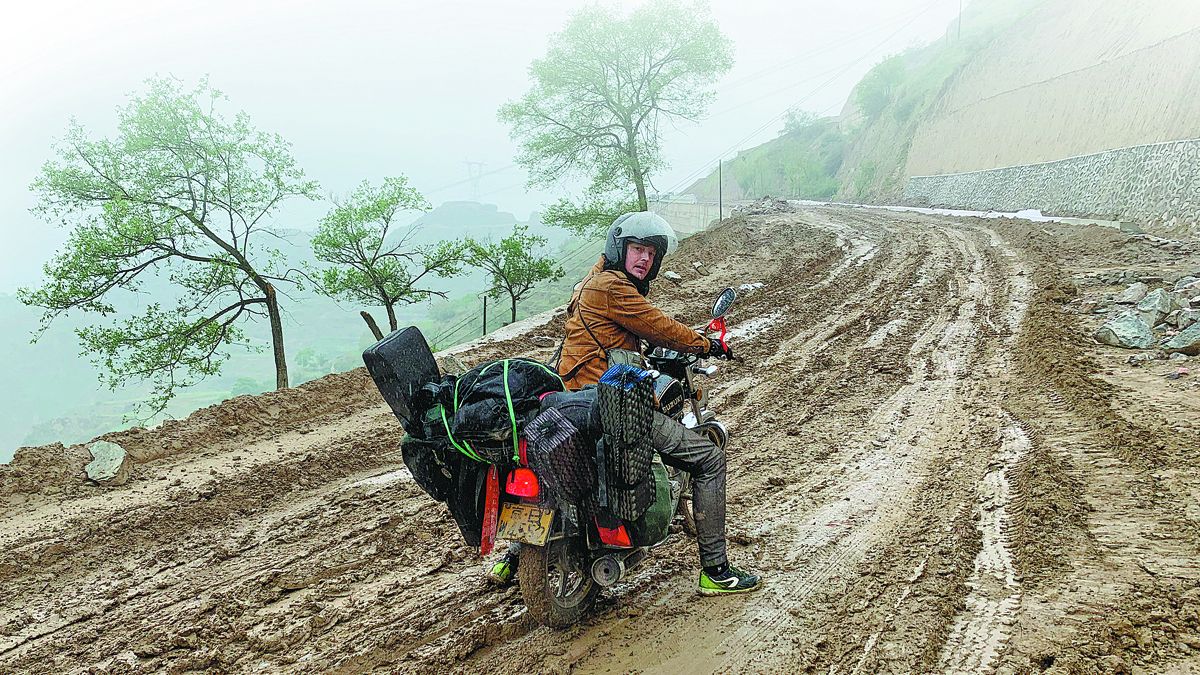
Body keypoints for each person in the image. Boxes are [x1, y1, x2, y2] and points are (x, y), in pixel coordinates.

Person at [490, 211, 762, 596]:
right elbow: (659, 327)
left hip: (568, 402)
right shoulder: (613, 288)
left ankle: (514, 555)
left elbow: (627, 333)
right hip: (608, 404)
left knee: (560, 468)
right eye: (637, 249)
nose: (645, 259)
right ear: (619, 249)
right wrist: (707, 343)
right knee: (709, 460)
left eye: (651, 253)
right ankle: (716, 572)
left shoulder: (589, 281)